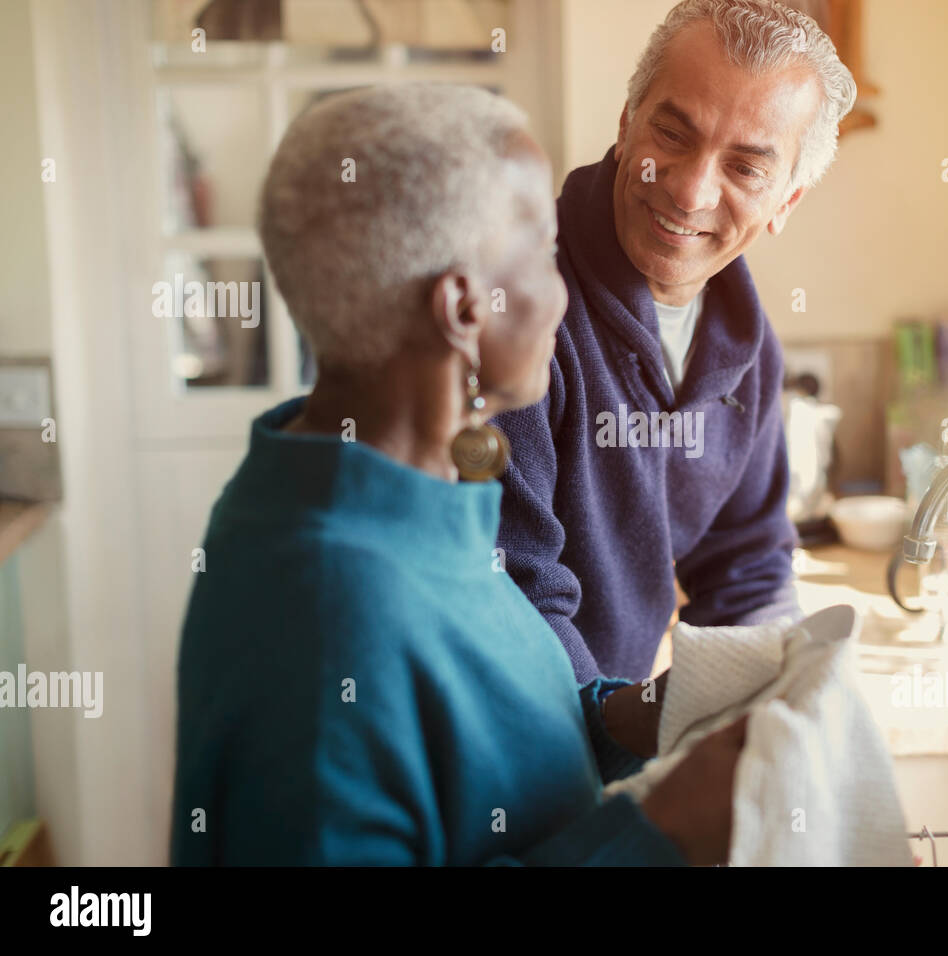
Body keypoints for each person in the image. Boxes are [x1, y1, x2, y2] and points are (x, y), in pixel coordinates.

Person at [170, 83, 743, 866]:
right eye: (544, 256)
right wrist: (657, 836)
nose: (564, 293)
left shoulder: (419, 499)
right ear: (464, 310)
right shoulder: (329, 611)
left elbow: (492, 737)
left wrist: (640, 716)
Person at [494, 0, 857, 683]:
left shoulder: (744, 349)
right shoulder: (517, 305)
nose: (690, 191)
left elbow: (746, 569)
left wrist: (766, 703)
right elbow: (514, 598)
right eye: (673, 134)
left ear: (787, 200)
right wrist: (624, 740)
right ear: (628, 122)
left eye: (746, 168)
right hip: (510, 750)